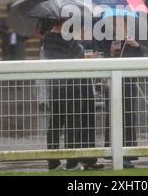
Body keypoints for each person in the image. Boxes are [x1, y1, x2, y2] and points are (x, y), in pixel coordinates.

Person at [42, 20, 103, 171]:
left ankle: (53, 162)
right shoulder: (67, 36)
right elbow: (81, 55)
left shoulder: (47, 37)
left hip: (55, 86)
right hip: (72, 85)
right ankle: (72, 163)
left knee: (55, 124)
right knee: (72, 124)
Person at [98, 16, 148, 169]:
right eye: (114, 23)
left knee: (128, 116)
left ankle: (127, 154)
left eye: (120, 23)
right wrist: (111, 53)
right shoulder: (108, 40)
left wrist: (137, 45)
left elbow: (146, 56)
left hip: (128, 84)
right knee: (112, 118)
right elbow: (103, 59)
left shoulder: (133, 39)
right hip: (112, 85)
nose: (117, 26)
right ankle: (113, 152)